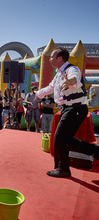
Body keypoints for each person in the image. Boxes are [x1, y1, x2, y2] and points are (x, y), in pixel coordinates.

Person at [34, 47, 99, 177]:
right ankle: (95, 152)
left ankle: (63, 169)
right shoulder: (59, 73)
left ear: (59, 58)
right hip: (68, 108)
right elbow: (51, 87)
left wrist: (70, 81)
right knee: (65, 139)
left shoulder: (71, 69)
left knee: (59, 139)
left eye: (52, 57)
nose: (50, 60)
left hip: (75, 108)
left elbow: (74, 79)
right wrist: (38, 94)